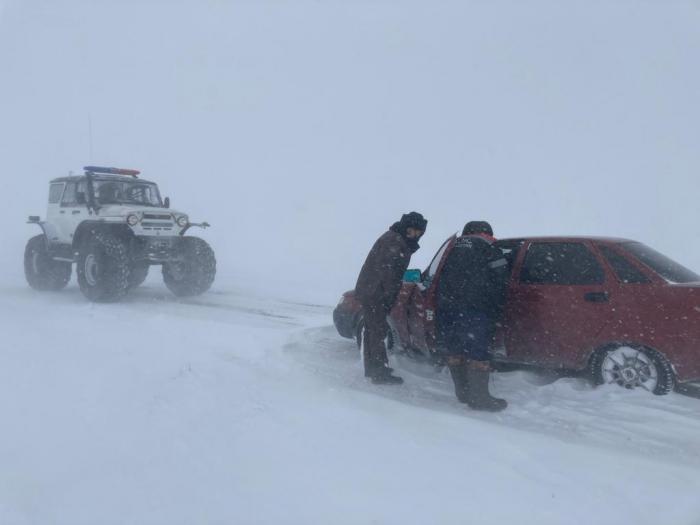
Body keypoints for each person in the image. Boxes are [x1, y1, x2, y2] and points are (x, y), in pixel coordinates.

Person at [436, 221, 509, 411]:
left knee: (456, 350)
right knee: (478, 353)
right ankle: (480, 399)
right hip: (475, 309)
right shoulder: (490, 247)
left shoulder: (451, 248)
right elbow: (501, 278)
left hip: (448, 308)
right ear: (487, 232)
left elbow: (437, 276)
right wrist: (497, 306)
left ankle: (463, 393)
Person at [355, 212, 427, 384]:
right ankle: (379, 372)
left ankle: (373, 368)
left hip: (372, 290)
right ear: (405, 227)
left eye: (418, 232)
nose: (414, 235)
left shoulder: (396, 239)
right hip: (375, 293)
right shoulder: (395, 242)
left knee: (373, 330)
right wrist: (387, 297)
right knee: (377, 331)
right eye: (412, 230)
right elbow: (387, 273)